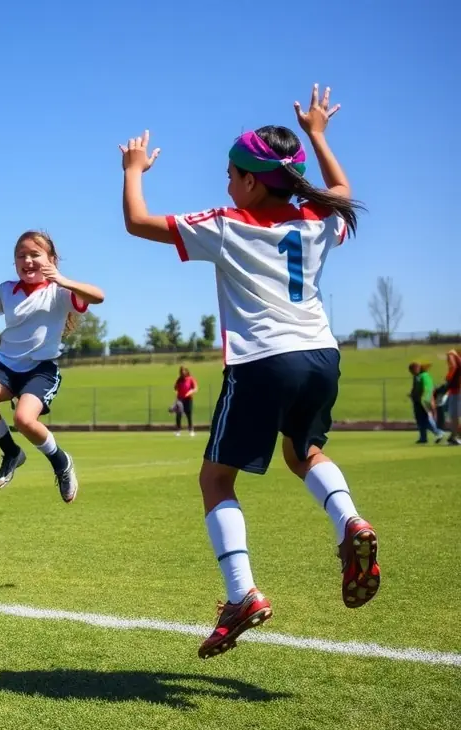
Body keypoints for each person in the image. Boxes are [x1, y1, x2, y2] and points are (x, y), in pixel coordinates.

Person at [120, 84, 379, 659]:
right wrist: (319, 135)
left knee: (216, 480)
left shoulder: (228, 223)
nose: (227, 182)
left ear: (253, 182)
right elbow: (341, 190)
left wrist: (133, 168)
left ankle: (241, 594)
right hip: (322, 357)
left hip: (263, 360)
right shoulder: (317, 221)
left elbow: (137, 221)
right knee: (303, 452)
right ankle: (350, 522)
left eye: (233, 173)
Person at [0, 231, 104, 502]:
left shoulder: (60, 292)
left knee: (24, 419)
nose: (27, 260)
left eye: (35, 255)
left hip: (40, 370)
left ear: (51, 260)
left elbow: (98, 296)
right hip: (5, 367)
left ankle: (61, 462)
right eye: (21, 256)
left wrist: (63, 280)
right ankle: (11, 453)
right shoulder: (7, 291)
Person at [409, 362, 443, 444]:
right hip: (417, 401)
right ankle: (423, 437)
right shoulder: (416, 377)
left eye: (412, 371)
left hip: (424, 401)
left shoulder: (424, 376)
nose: (412, 373)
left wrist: (425, 399)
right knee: (419, 420)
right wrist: (412, 395)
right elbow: (415, 388)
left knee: (426, 419)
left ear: (417, 369)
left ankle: (438, 432)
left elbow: (428, 388)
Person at [174, 366, 198, 437]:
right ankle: (178, 430)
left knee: (189, 414)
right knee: (178, 415)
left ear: (186, 371)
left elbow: (195, 388)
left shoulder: (191, 379)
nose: (182, 373)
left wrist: (190, 392)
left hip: (188, 399)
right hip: (180, 399)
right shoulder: (179, 380)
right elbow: (175, 388)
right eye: (181, 372)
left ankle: (191, 430)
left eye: (183, 371)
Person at [446, 349, 461, 445]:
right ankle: (453, 436)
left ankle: (454, 436)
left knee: (454, 415)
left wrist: (448, 378)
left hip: (456, 390)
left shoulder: (451, 353)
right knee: (455, 415)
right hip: (457, 390)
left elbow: (453, 367)